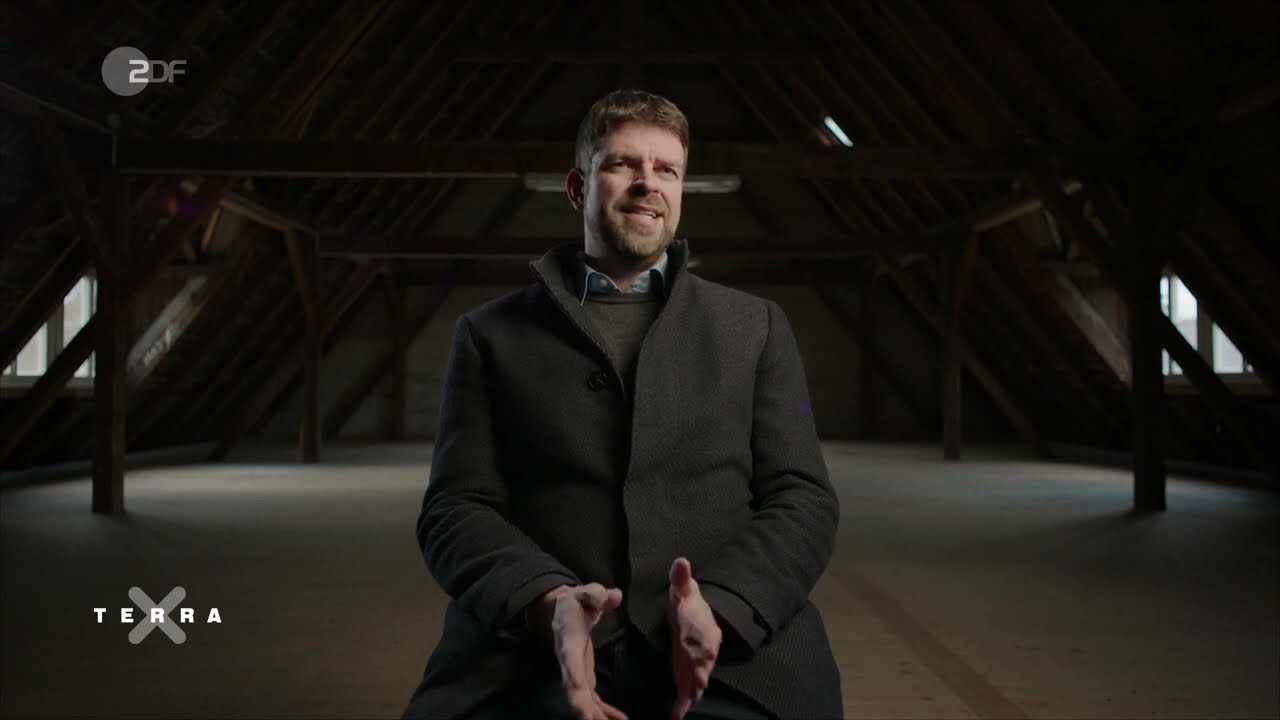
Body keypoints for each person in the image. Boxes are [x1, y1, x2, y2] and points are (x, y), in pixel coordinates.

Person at [402, 89, 842, 720]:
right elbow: (454, 507)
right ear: (578, 187)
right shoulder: (489, 335)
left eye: (668, 170)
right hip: (535, 653)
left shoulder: (755, 327)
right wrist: (547, 602)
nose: (648, 184)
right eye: (622, 164)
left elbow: (803, 497)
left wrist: (721, 605)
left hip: (729, 653)